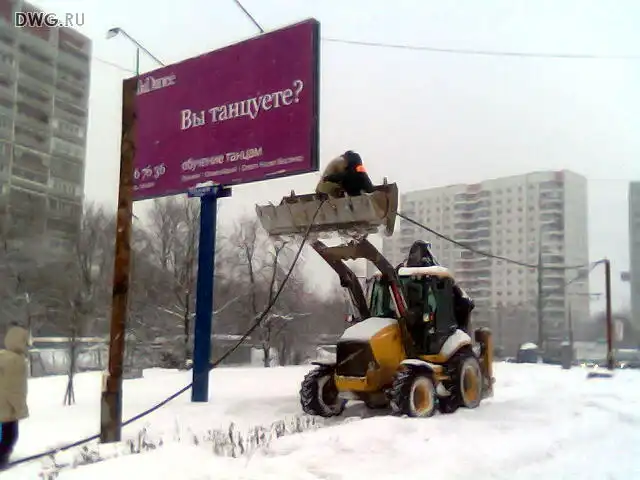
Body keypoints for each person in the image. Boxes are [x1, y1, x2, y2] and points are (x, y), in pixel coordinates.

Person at [0, 326, 30, 469]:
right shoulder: (16, 361)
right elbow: (14, 388)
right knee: (10, 437)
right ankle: (1, 463)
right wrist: (20, 408)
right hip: (8, 406)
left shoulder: (2, 356)